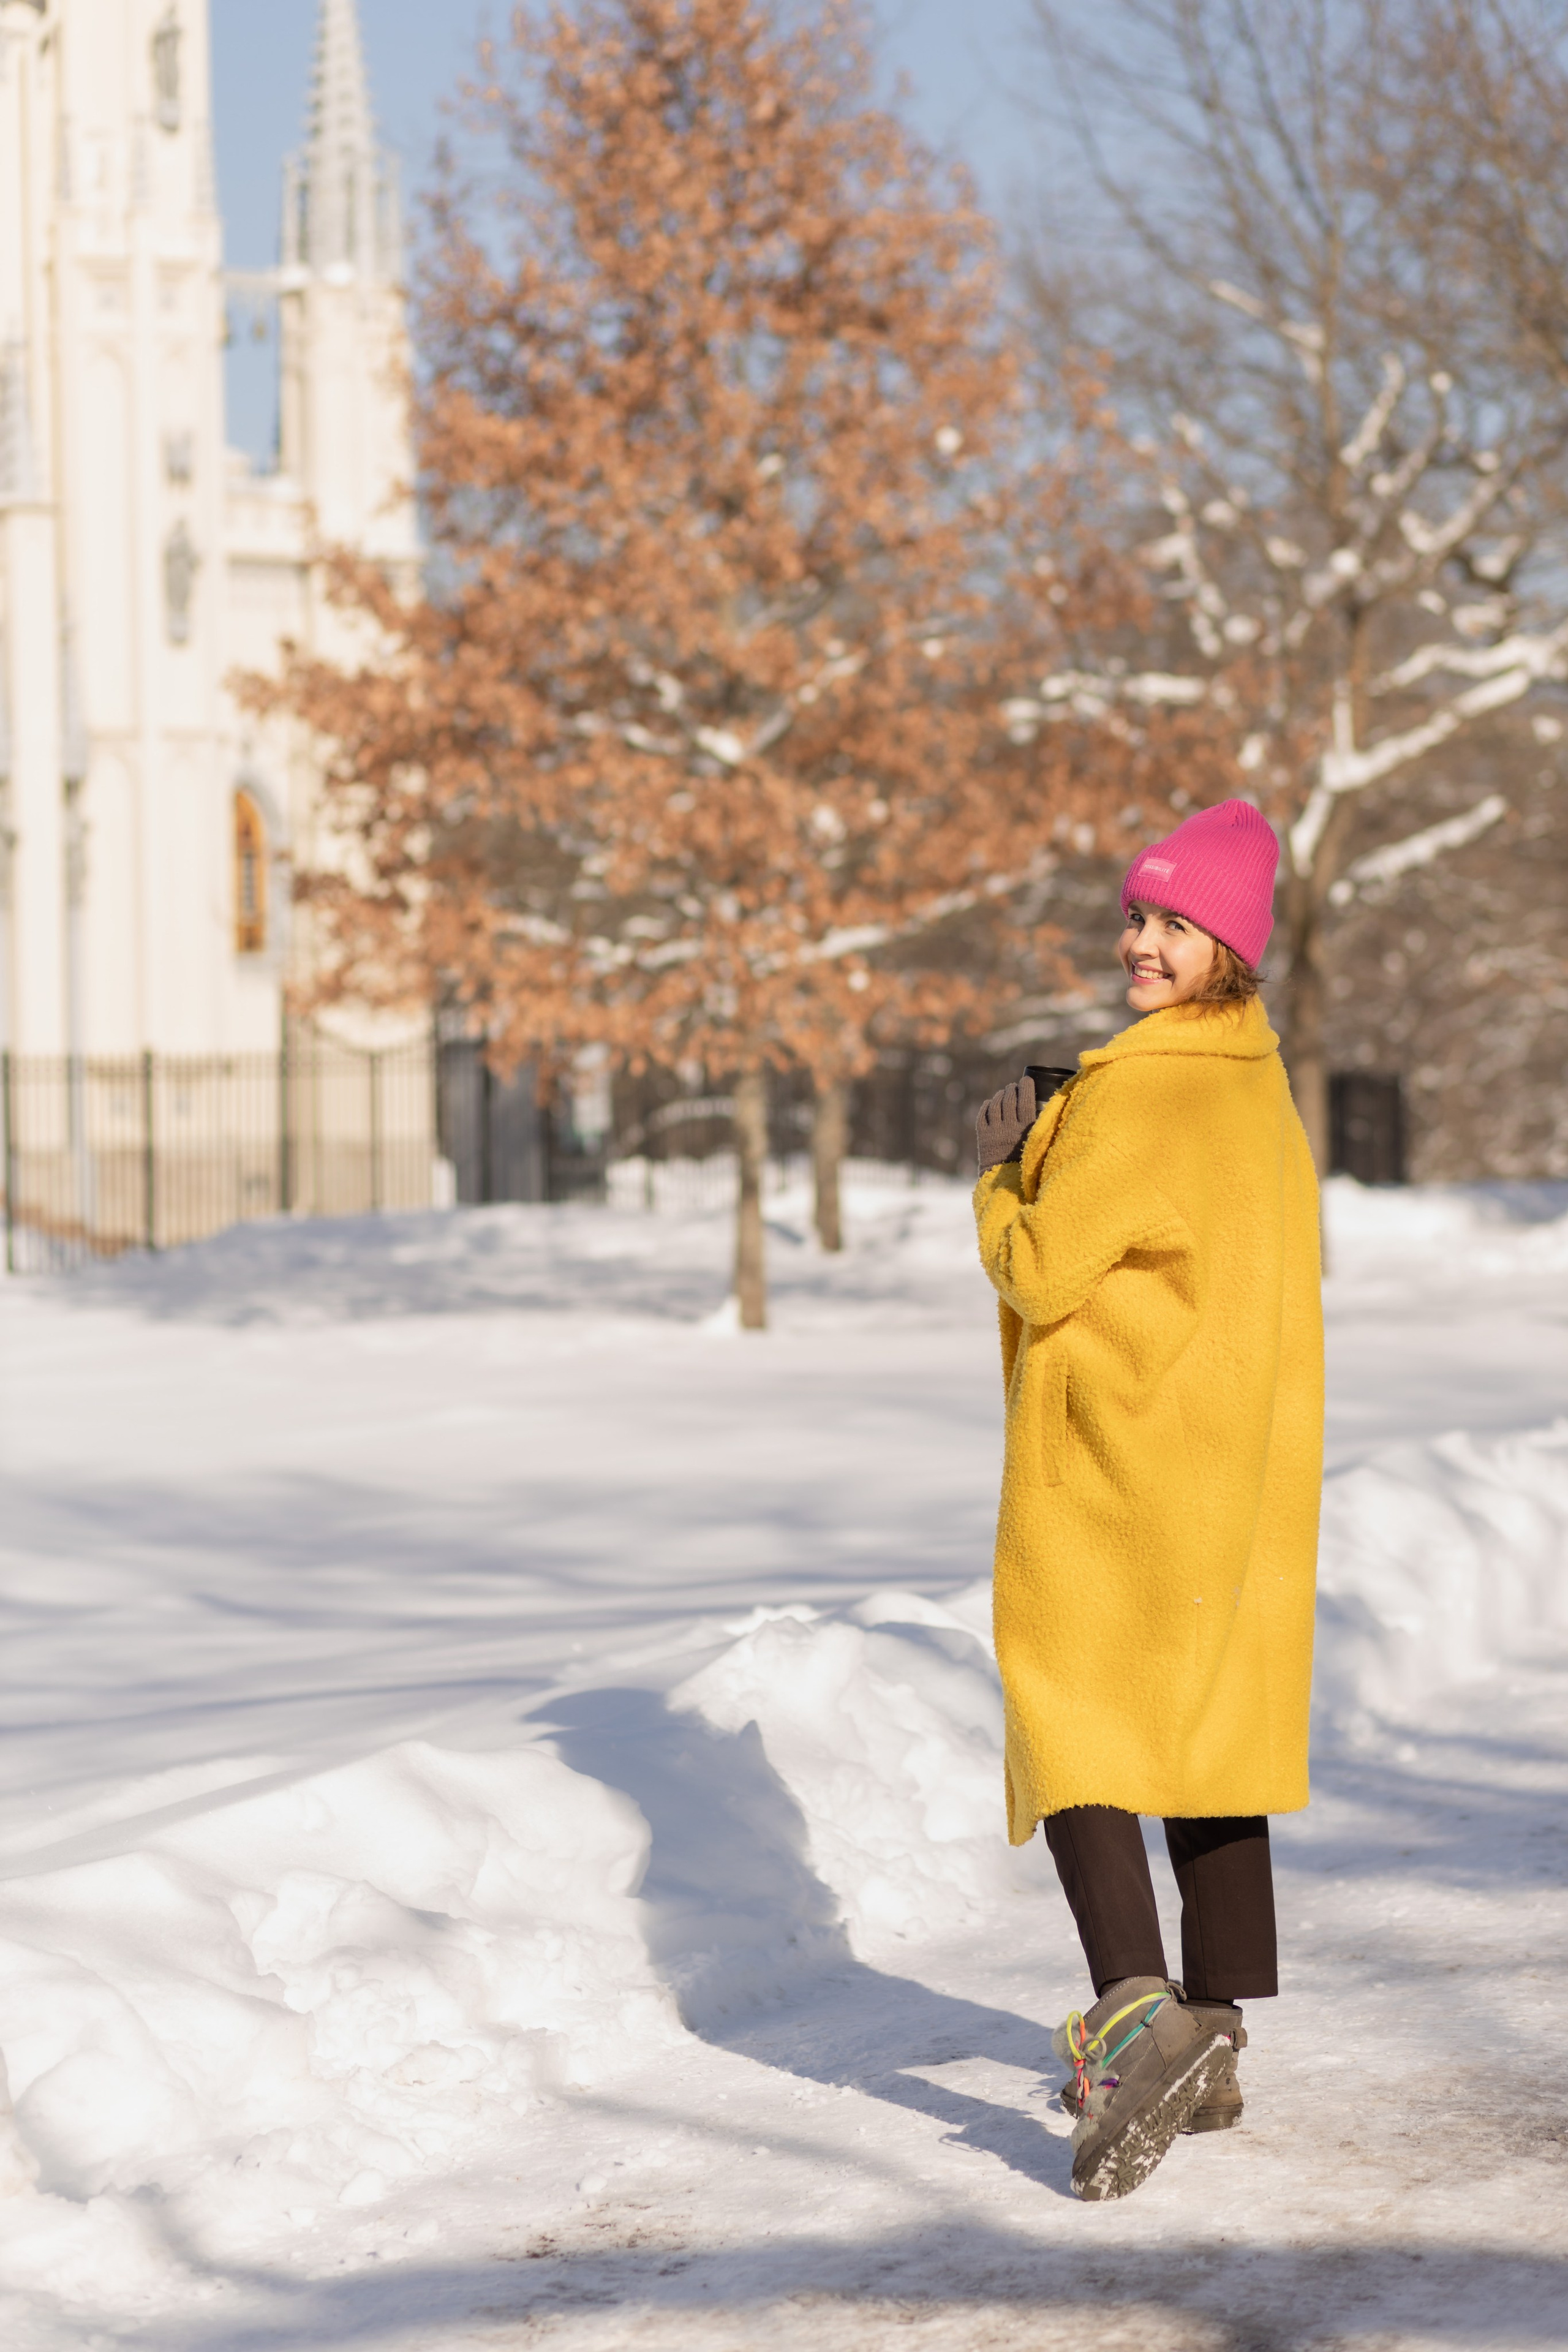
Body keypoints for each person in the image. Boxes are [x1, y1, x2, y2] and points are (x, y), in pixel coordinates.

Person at [971, 798, 1323, 2203]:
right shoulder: (1254, 1085)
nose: (1141, 941)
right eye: (1135, 915)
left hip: (1114, 1463)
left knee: (1071, 1717)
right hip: (1227, 1465)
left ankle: (1134, 2017)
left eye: (1176, 922)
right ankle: (1214, 2029)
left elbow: (1042, 1268)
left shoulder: (1139, 1088)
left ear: (1229, 943)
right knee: (1203, 1725)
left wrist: (1003, 1170)